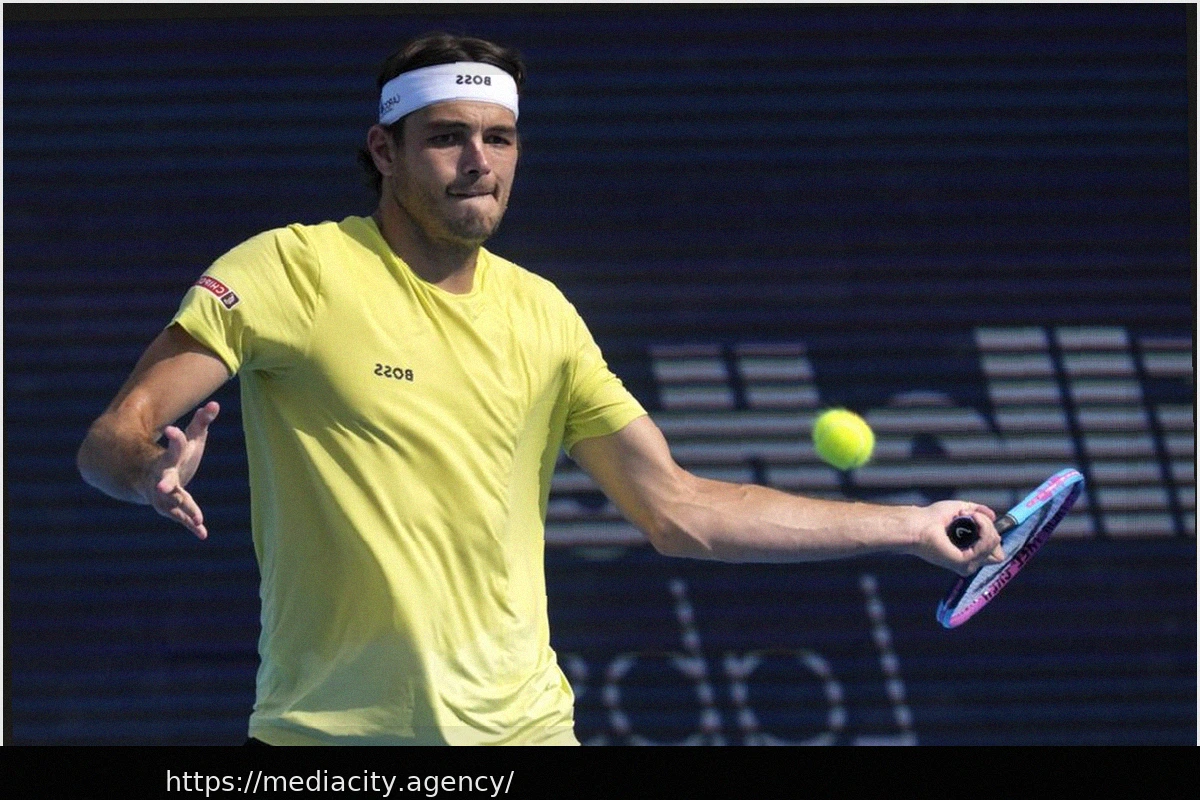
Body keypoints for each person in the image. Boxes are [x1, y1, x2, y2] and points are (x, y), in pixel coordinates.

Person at [77, 32, 1003, 746]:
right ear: (384, 151)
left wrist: (908, 525)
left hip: (523, 734)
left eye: (499, 138)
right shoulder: (295, 269)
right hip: (326, 741)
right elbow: (118, 433)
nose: (479, 161)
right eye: (447, 137)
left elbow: (678, 509)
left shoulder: (544, 316)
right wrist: (143, 468)